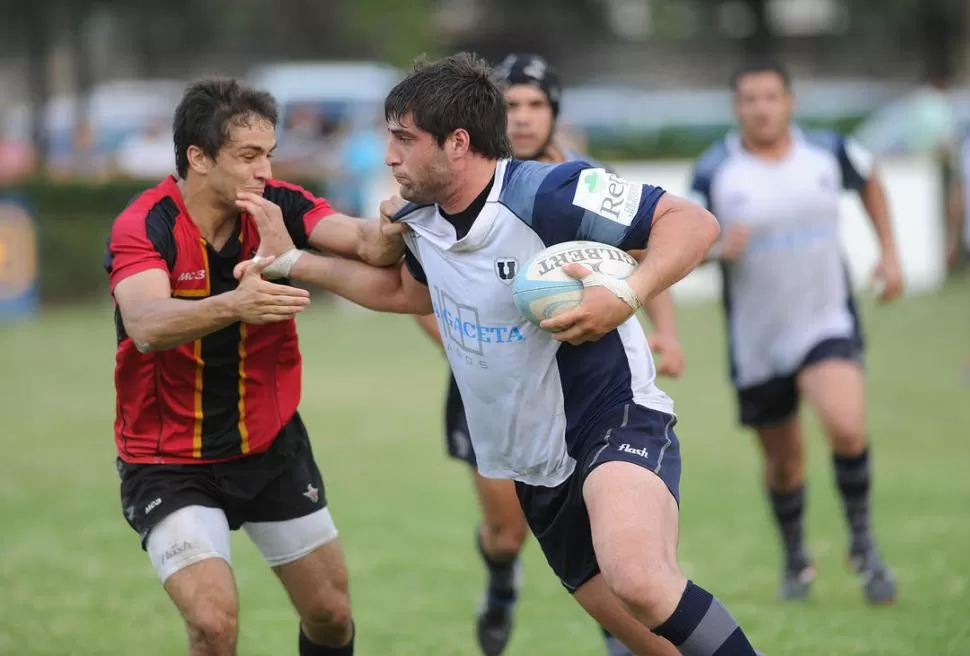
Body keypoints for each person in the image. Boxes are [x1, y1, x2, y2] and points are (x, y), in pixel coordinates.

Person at [243, 52, 761, 656]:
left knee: (640, 579)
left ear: (457, 143)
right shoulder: (421, 217)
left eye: (404, 140)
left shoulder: (551, 192)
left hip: (612, 419)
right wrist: (289, 262)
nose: (389, 156)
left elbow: (692, 221)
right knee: (659, 647)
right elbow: (404, 291)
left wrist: (626, 294)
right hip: (533, 464)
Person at [104, 77, 405, 656]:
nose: (265, 169)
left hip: (269, 447)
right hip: (169, 458)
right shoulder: (145, 225)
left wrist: (393, 226)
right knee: (213, 625)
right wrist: (235, 305)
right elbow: (145, 325)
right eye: (247, 156)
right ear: (198, 157)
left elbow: (367, 245)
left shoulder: (281, 206)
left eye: (268, 153)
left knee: (331, 617)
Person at [411, 53, 684, 656]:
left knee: (625, 552)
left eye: (537, 104)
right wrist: (466, 346)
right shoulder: (436, 196)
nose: (524, 116)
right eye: (512, 104)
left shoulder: (570, 185)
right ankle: (503, 583)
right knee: (506, 532)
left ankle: (620, 639)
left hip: (580, 388)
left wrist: (661, 328)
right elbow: (418, 287)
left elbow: (637, 257)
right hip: (486, 385)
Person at [688, 60, 902, 604]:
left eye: (771, 96)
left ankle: (863, 545)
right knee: (784, 463)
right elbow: (685, 241)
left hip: (826, 320)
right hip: (758, 340)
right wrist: (715, 250)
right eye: (750, 99)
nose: (761, 107)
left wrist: (890, 255)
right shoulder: (716, 169)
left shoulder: (827, 152)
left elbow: (872, 180)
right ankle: (795, 558)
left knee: (847, 427)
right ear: (737, 108)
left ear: (790, 101)